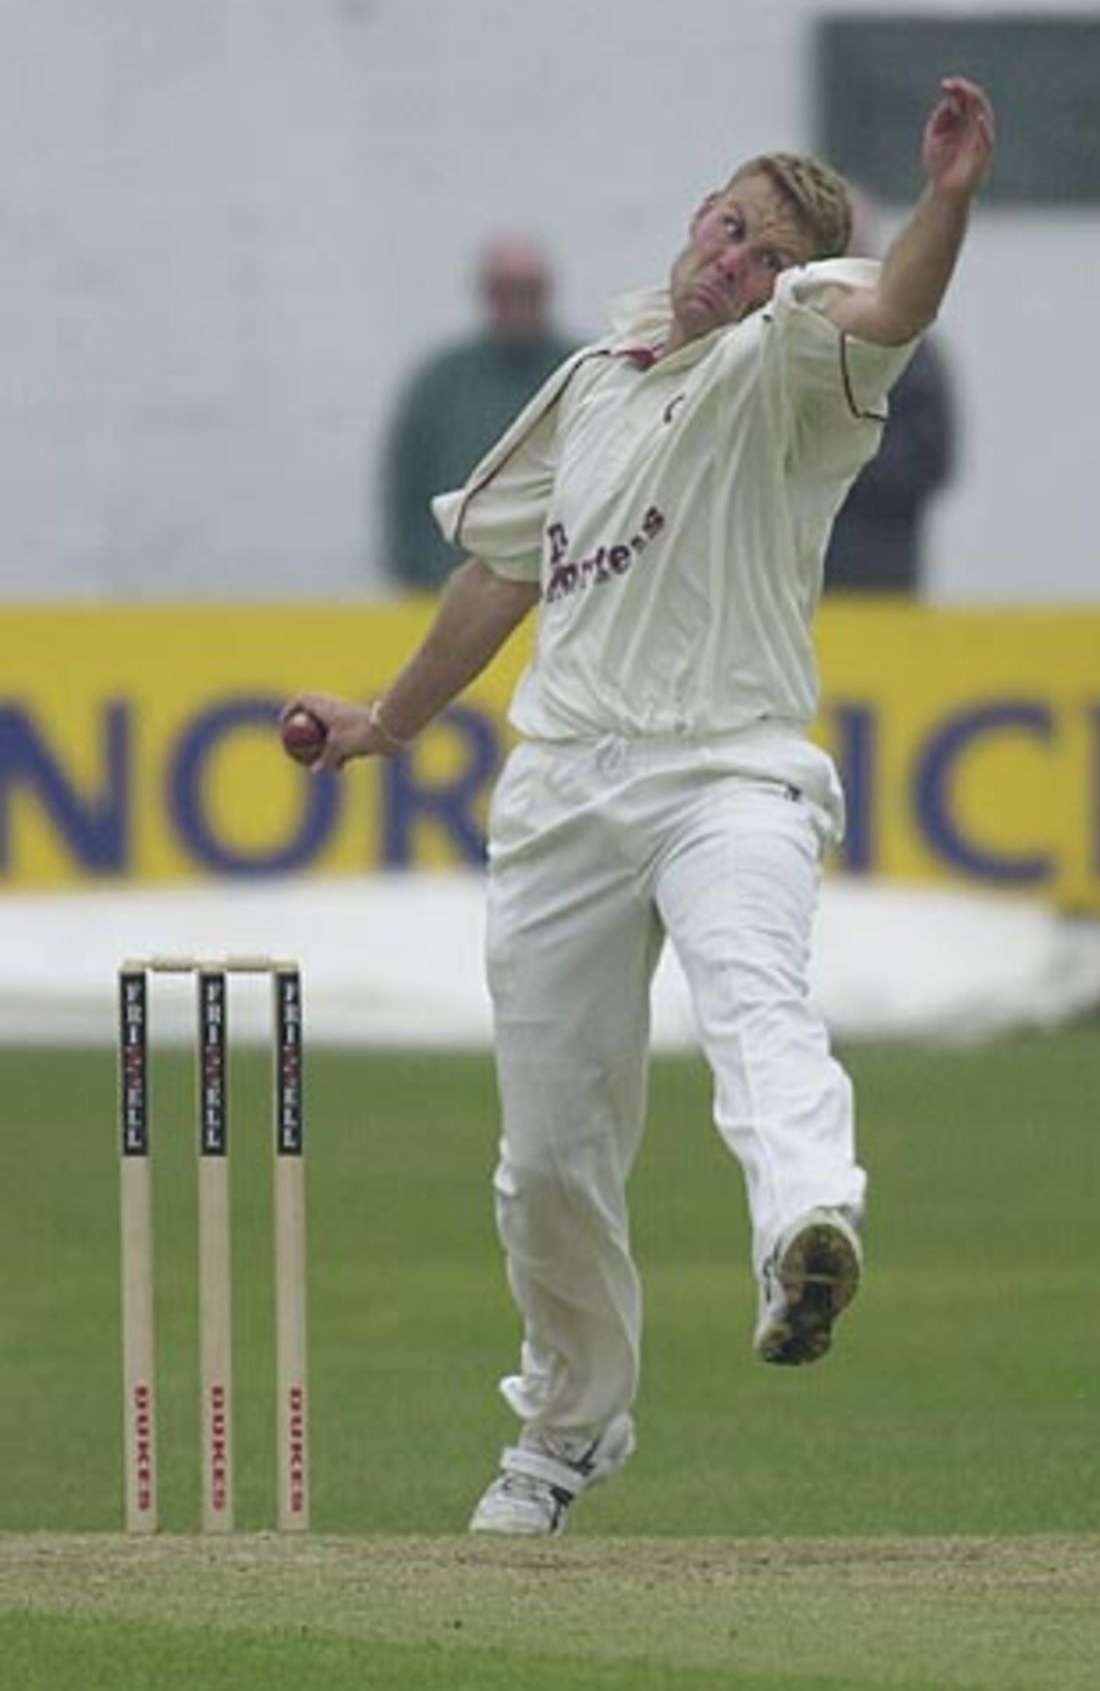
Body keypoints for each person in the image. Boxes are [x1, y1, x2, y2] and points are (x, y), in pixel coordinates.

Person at [284, 77, 995, 1537]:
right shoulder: (596, 373)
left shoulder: (796, 356)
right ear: (698, 219)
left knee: (754, 990)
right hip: (561, 784)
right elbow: (499, 570)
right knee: (547, 1157)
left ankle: (811, 1221)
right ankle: (562, 1434)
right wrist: (387, 722)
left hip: (728, 766)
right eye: (728, 234)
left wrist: (949, 201)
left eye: (761, 255)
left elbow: (893, 307)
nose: (734, 264)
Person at [377, 234, 577, 589]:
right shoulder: (441, 382)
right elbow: (404, 486)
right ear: (486, 294)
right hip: (447, 591)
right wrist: (415, 574)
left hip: (563, 595)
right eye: (504, 289)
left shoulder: (584, 376)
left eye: (527, 290)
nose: (516, 303)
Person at [822, 191, 955, 592]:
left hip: (873, 578)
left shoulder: (911, 354)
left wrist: (828, 456)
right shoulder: (771, 343)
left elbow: (929, 460)